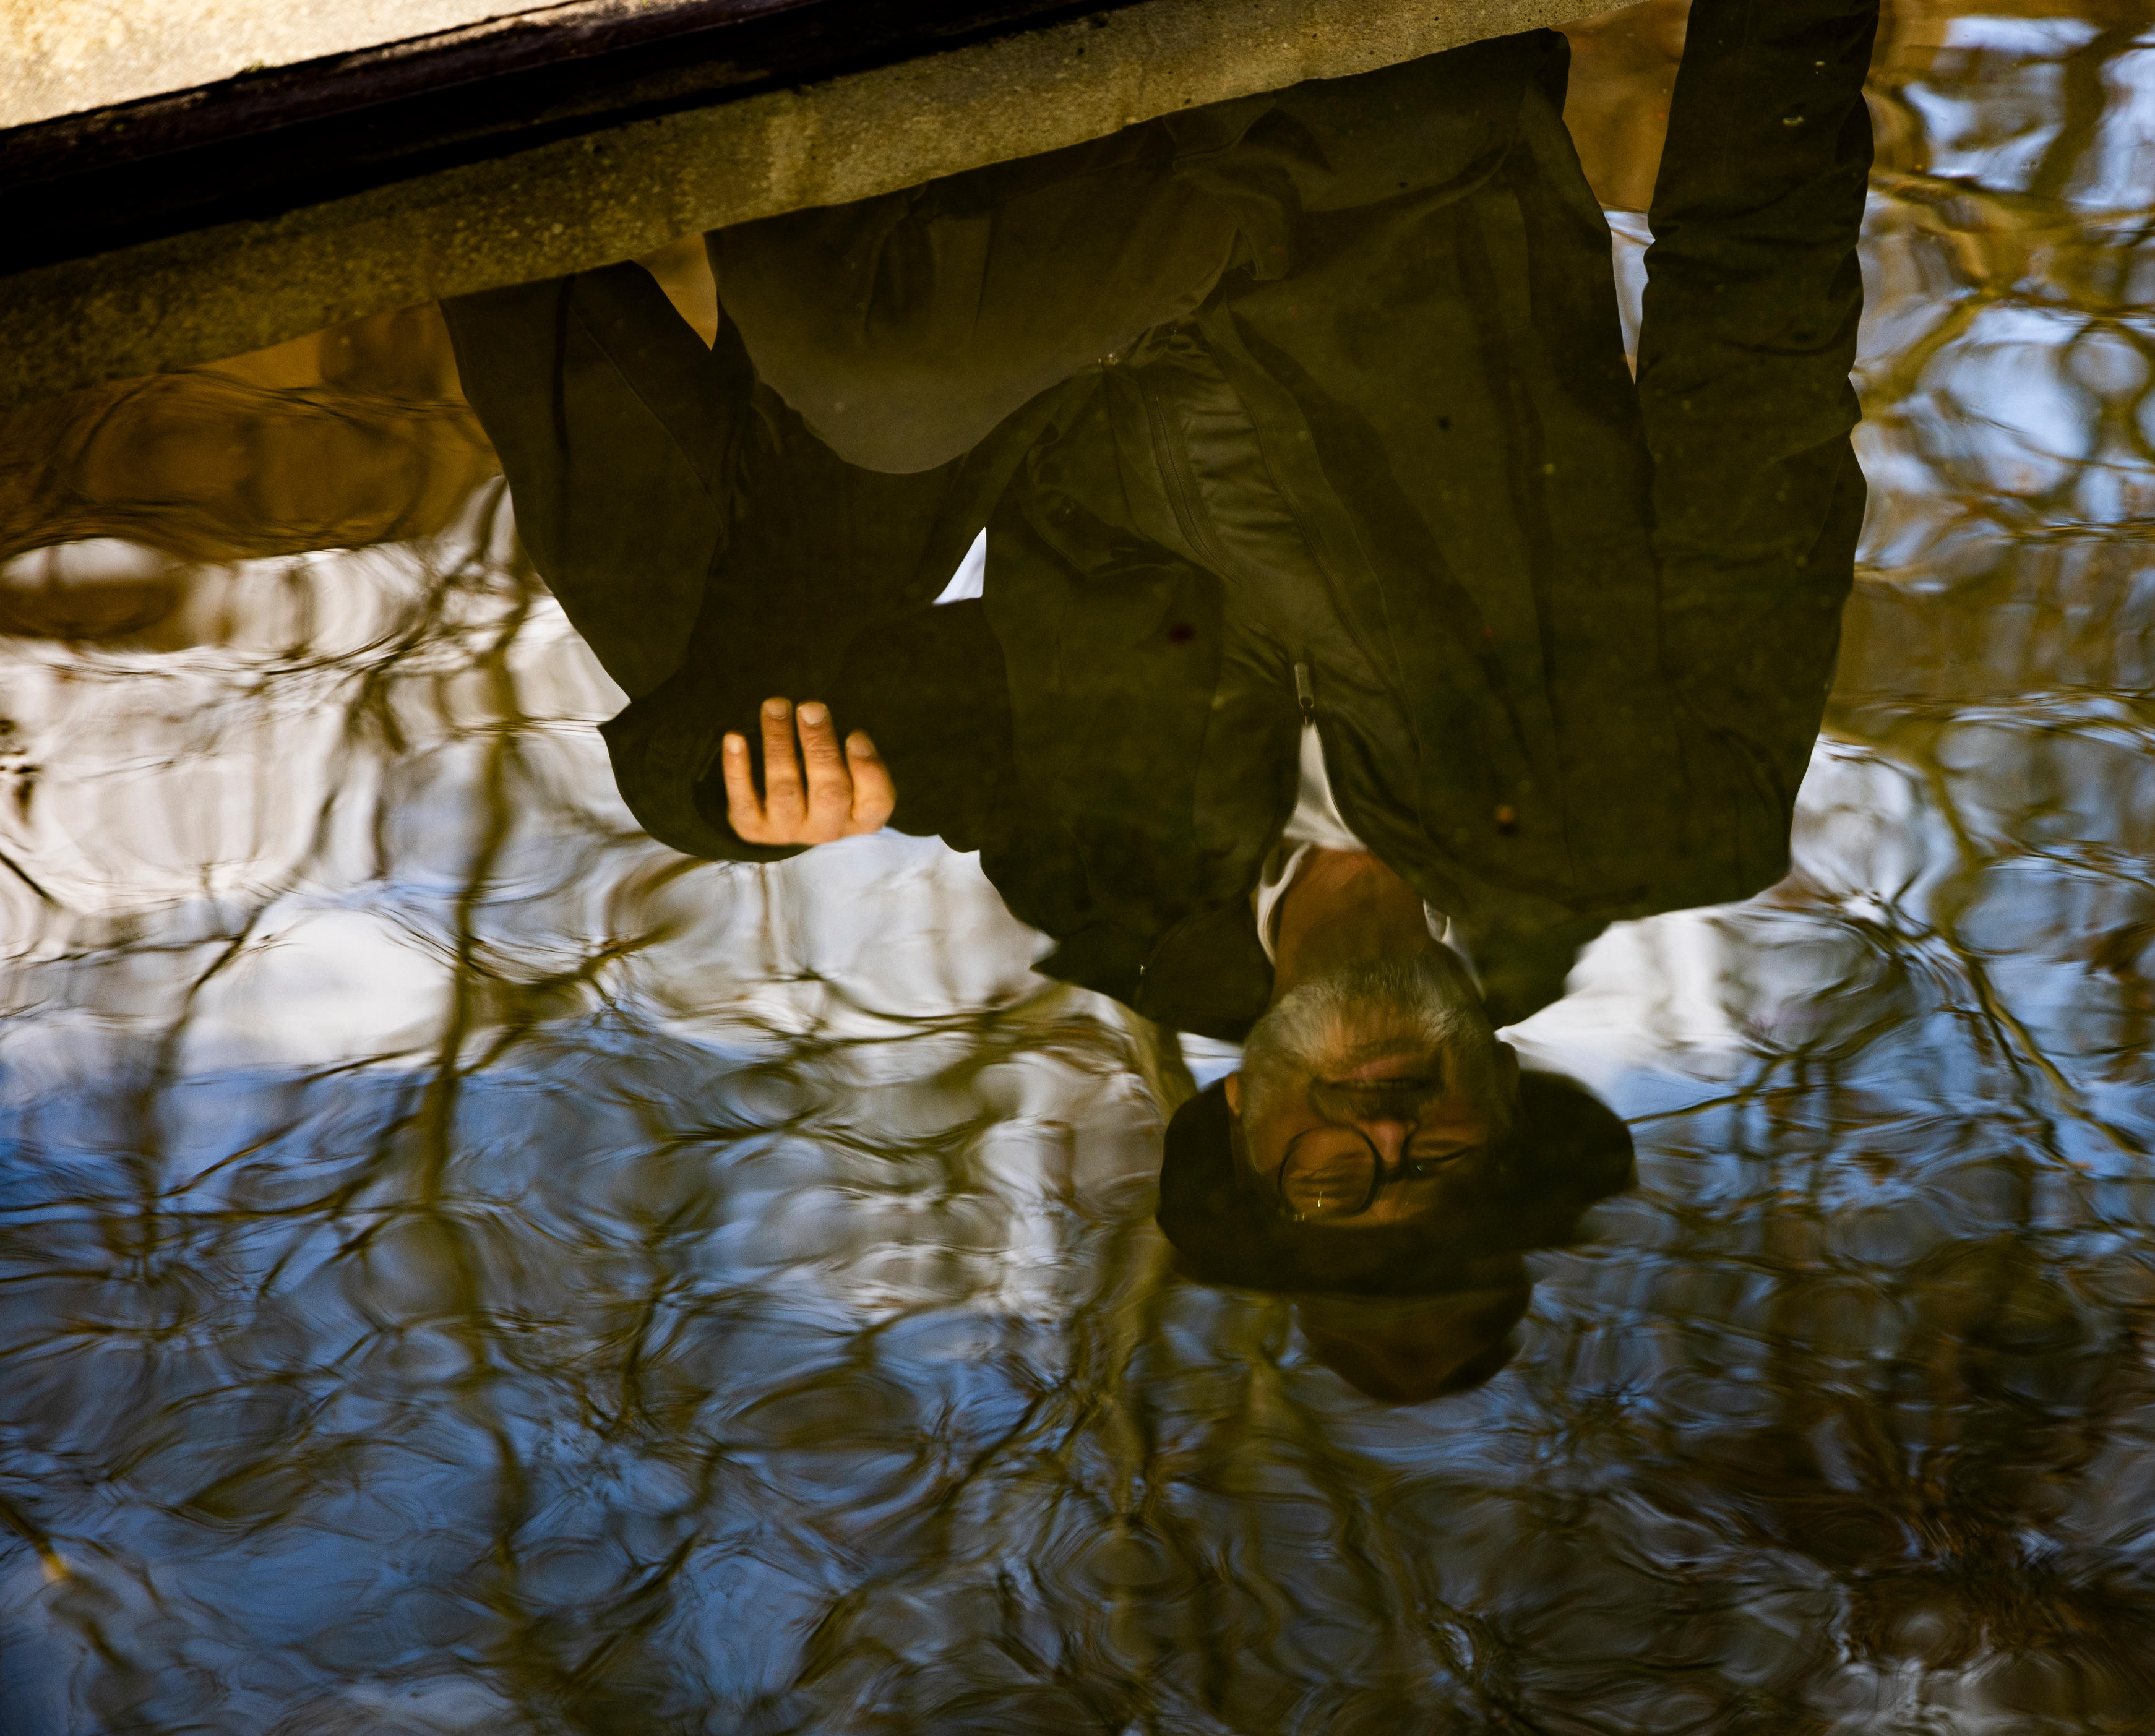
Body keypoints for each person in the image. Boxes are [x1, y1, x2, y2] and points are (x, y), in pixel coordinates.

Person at [444, 0, 1877, 1400]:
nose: (1380, 1123)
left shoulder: (1114, 890)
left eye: (1337, 1180)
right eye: (1434, 1164)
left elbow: (877, 740)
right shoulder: (1666, 809)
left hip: (1030, 248)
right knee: (882, 376)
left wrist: (734, 809)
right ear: (1498, 1109)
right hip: (1360, 150)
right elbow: (1759, 341)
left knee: (724, 713)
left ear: (1246, 1120)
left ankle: (464, 144)